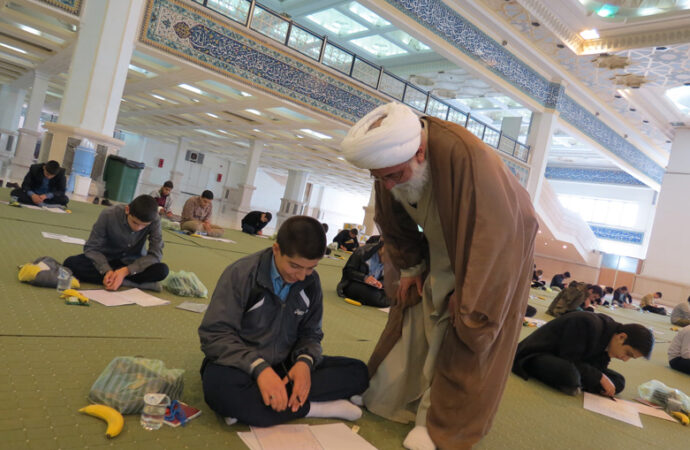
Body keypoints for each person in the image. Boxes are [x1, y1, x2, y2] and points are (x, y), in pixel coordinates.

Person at [341, 102, 538, 449]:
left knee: (461, 326)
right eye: (380, 177)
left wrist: (473, 296)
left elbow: (495, 240)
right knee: (414, 309)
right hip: (439, 247)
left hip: (493, 254)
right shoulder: (393, 165)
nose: (387, 185)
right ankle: (392, 397)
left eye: (394, 176)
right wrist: (411, 267)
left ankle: (438, 425)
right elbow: (393, 220)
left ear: (419, 152)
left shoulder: (471, 161)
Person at [198, 216, 369, 426]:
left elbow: (311, 334)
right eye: (295, 266)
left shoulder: (310, 282)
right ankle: (313, 407)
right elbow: (215, 335)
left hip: (285, 364)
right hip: (242, 365)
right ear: (277, 249)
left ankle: (257, 404)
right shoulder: (242, 274)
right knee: (222, 391)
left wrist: (304, 362)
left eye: (311, 268)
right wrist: (259, 369)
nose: (302, 276)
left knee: (358, 372)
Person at [513, 312, 654, 396]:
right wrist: (598, 376)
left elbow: (597, 366)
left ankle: (577, 383)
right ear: (621, 337)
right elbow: (569, 358)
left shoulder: (610, 334)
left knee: (618, 382)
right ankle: (576, 383)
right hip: (538, 354)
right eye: (628, 353)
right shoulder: (587, 323)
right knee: (569, 375)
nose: (625, 359)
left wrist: (600, 376)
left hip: (570, 360)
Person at [63, 195, 169, 291]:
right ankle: (129, 282)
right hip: (107, 259)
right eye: (135, 222)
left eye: (144, 226)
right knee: (71, 263)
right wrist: (106, 270)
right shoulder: (109, 214)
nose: (138, 228)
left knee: (162, 270)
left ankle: (118, 279)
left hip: (133, 263)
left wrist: (126, 271)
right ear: (127, 210)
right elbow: (91, 248)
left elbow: (155, 255)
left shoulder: (155, 220)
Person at [337, 239, 389, 307]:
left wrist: (380, 283)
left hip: (373, 288)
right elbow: (348, 271)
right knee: (373, 295)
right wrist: (365, 278)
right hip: (353, 283)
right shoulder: (362, 251)